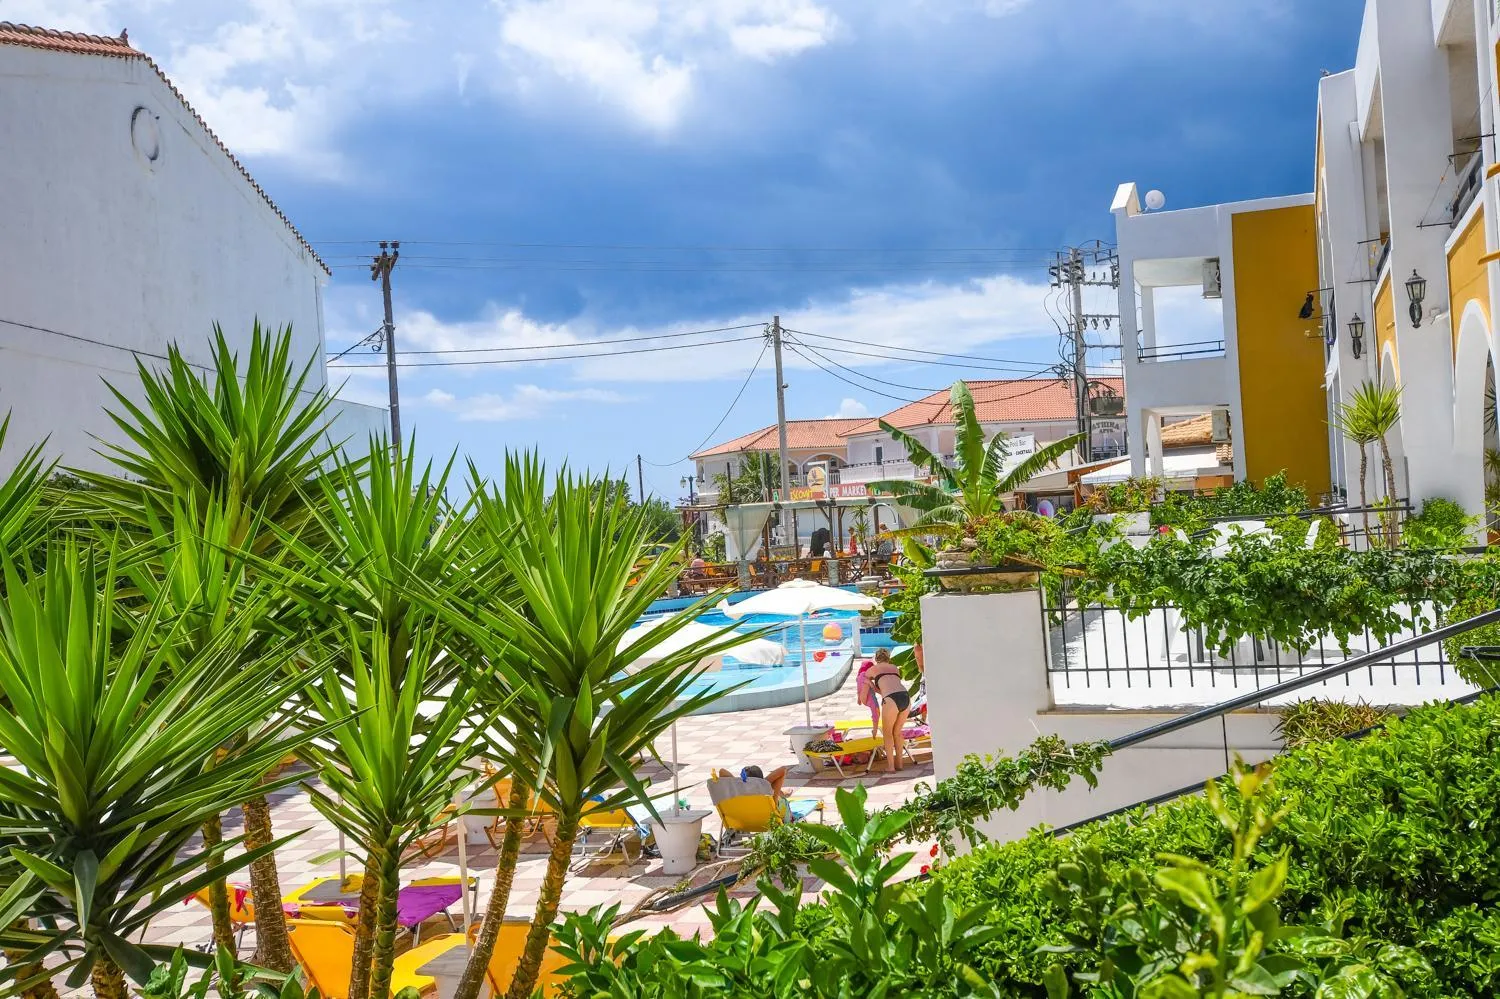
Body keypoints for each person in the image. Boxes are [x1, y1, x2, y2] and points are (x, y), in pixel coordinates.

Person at [862, 648, 911, 773]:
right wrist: (875, 686)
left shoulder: (872, 670)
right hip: (905, 696)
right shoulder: (895, 668)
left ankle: (891, 766)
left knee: (887, 733)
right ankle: (899, 763)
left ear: (876, 658)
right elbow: (888, 687)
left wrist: (869, 685)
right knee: (897, 732)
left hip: (890, 700)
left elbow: (863, 681)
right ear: (888, 658)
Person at [718, 764, 791, 799]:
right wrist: (764, 781)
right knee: (770, 788)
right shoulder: (763, 789)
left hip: (743, 816)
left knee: (769, 788)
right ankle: (782, 794)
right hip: (767, 817)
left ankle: (783, 793)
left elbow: (722, 771)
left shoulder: (738, 789)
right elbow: (783, 769)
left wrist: (739, 782)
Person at [854, 655, 880, 731]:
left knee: (875, 712)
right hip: (869, 698)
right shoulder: (865, 677)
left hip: (863, 698)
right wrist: (883, 693)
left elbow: (858, 690)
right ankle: (875, 730)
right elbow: (873, 687)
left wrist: (859, 700)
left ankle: (874, 728)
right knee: (876, 713)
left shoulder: (859, 677)